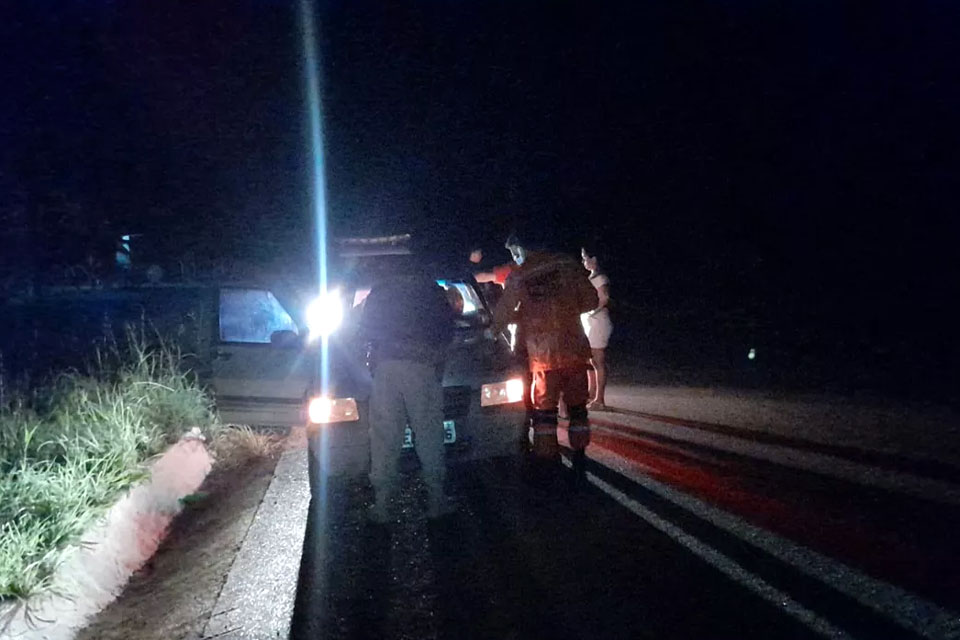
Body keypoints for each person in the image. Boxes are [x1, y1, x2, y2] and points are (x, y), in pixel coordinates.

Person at [493, 232, 599, 483]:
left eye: (514, 252)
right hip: (574, 351)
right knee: (578, 410)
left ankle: (548, 465)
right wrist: (565, 308)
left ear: (522, 249)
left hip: (542, 356)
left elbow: (503, 313)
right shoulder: (567, 264)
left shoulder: (520, 275)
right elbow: (591, 300)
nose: (514, 257)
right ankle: (580, 460)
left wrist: (494, 331)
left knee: (545, 416)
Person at [359, 267, 456, 522]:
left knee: (385, 437)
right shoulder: (431, 291)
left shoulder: (380, 290)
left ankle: (382, 505)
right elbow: (447, 330)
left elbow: (364, 328)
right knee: (429, 434)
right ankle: (436, 500)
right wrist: (438, 364)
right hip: (422, 367)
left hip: (386, 368)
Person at [581, 246, 613, 409]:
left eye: (585, 257)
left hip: (598, 323)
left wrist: (591, 311)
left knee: (597, 360)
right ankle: (591, 394)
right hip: (590, 322)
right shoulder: (591, 277)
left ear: (594, 259)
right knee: (590, 360)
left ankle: (600, 399)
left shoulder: (600, 278)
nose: (583, 261)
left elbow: (604, 298)